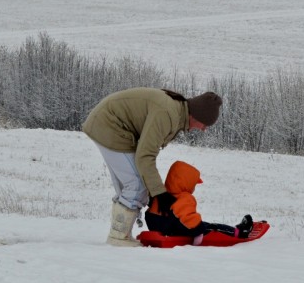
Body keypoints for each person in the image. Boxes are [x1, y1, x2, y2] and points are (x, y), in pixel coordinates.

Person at [82, 87, 222, 247]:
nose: (204, 129)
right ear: (196, 115)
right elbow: (145, 156)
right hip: (109, 125)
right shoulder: (168, 114)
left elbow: (145, 153)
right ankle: (118, 237)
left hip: (109, 124)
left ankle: (120, 234)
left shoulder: (176, 113)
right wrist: (159, 193)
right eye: (205, 124)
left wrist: (155, 192)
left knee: (135, 184)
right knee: (136, 185)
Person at [145, 160, 253, 245]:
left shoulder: (161, 195)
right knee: (212, 228)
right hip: (180, 231)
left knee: (202, 225)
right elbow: (190, 221)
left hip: (165, 229)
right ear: (186, 184)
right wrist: (199, 230)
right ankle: (239, 232)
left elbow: (152, 215)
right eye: (193, 185)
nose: (194, 188)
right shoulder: (184, 198)